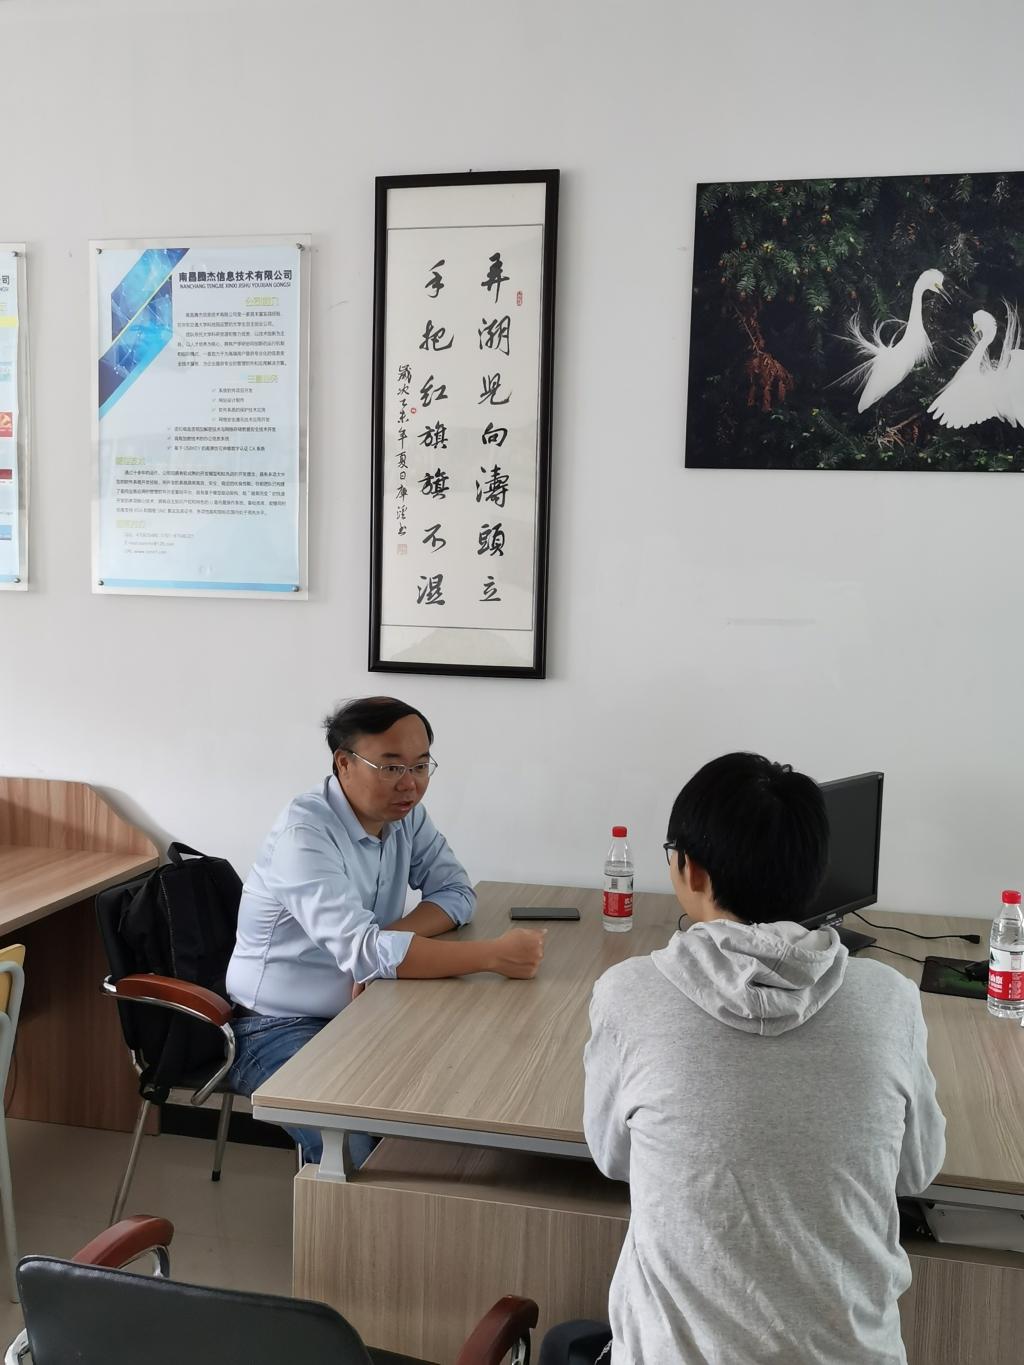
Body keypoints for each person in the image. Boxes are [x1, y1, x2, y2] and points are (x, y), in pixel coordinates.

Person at [541, 752, 945, 1365]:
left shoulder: (629, 993)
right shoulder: (890, 999)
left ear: (691, 870)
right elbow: (915, 1172)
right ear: (816, 871)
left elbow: (613, 1157)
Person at [226, 695, 545, 1163]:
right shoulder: (304, 835)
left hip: (370, 1005)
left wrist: (386, 943)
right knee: (353, 1143)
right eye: (391, 767)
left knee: (472, 1078)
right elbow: (367, 952)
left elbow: (456, 892)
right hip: (276, 1024)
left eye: (421, 766)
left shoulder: (405, 815)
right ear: (344, 763)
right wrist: (493, 956)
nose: (410, 784)